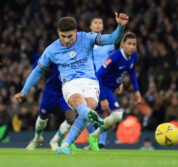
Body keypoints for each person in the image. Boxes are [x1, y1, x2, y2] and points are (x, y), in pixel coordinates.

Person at [14, 12, 129, 155]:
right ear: (58, 33)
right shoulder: (52, 49)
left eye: (70, 36)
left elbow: (113, 38)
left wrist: (120, 27)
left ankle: (66, 144)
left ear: (76, 32)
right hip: (70, 83)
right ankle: (94, 118)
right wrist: (24, 91)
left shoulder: (86, 38)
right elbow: (38, 71)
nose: (67, 40)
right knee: (79, 103)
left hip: (90, 81)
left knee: (89, 108)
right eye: (63, 36)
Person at [88, 32, 142, 151]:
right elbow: (98, 75)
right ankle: (93, 137)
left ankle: (88, 142)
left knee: (88, 115)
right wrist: (103, 98)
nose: (131, 47)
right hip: (103, 87)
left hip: (111, 88)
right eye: (129, 44)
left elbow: (131, 71)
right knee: (117, 114)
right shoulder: (114, 57)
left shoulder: (134, 56)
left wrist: (136, 91)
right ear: (123, 44)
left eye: (134, 44)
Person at [25, 61, 76, 151]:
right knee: (43, 116)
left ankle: (54, 141)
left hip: (67, 90)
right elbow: (37, 65)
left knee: (71, 119)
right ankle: (37, 139)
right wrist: (45, 71)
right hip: (51, 90)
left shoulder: (76, 54)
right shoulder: (54, 51)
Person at [85, 17, 115, 150]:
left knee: (105, 110)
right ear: (90, 26)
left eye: (100, 23)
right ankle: (93, 138)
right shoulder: (85, 41)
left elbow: (113, 62)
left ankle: (101, 142)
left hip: (104, 81)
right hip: (88, 79)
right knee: (88, 111)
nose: (98, 25)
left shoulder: (109, 43)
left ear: (102, 27)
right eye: (95, 22)